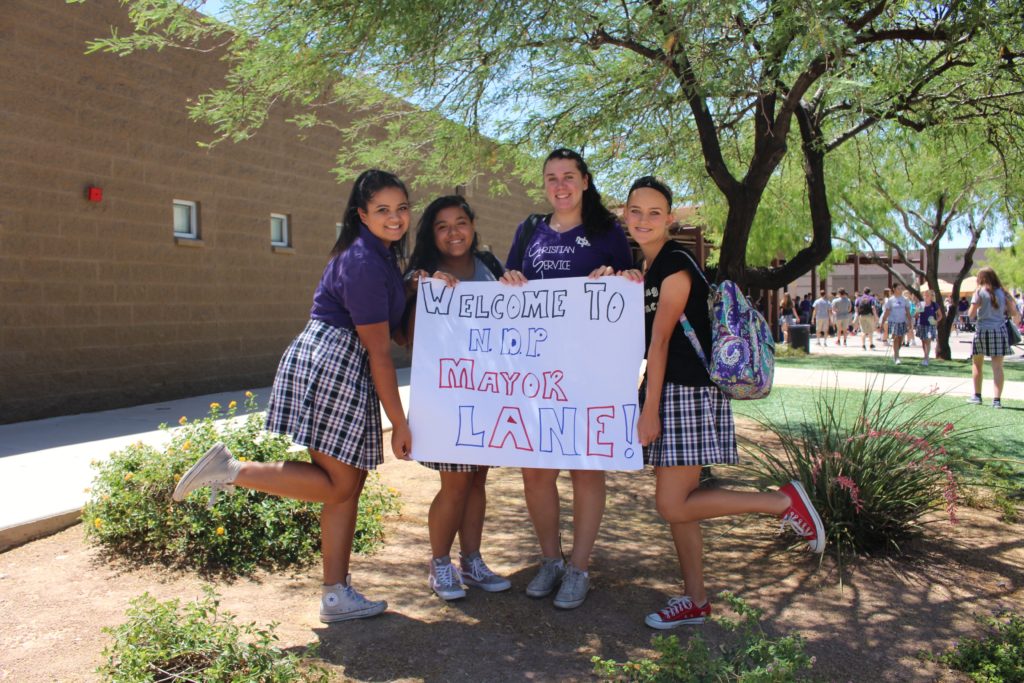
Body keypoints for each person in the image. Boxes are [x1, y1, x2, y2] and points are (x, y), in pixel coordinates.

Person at [171, 169, 413, 623]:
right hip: (333, 362)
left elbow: (395, 334)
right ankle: (230, 469)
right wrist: (399, 422)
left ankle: (336, 595)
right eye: (382, 209)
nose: (395, 217)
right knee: (340, 483)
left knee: (347, 487)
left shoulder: (380, 257)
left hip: (342, 363)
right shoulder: (362, 261)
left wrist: (416, 286)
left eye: (401, 208)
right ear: (362, 214)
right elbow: (381, 353)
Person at [620, 176, 823, 629]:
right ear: (625, 215)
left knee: (672, 504)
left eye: (655, 213)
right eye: (637, 211)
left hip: (683, 393)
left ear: (670, 220)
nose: (644, 220)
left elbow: (660, 343)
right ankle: (696, 599)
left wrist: (649, 410)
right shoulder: (652, 267)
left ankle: (781, 503)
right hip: (674, 391)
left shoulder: (674, 263)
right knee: (681, 504)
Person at [500, 148, 633, 609]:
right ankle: (550, 560)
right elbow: (508, 283)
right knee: (535, 471)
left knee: (585, 466)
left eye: (568, 177)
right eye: (552, 178)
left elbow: (631, 285)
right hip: (536, 372)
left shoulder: (608, 231)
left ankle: (579, 568)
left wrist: (618, 275)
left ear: (585, 182)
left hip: (589, 369)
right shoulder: (528, 230)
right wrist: (511, 278)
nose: (560, 186)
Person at [402, 195, 511, 600]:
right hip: (447, 394)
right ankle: (439, 564)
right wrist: (422, 292)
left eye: (460, 222)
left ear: (472, 224)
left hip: (488, 393)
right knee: (455, 485)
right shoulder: (422, 275)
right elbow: (408, 339)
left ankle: (472, 560)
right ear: (432, 233)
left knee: (478, 480)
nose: (453, 232)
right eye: (442, 225)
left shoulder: (490, 266)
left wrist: (514, 285)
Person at [967, 267, 1021, 408]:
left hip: (982, 331)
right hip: (999, 331)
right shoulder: (1003, 292)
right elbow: (1014, 312)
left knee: (977, 365)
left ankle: (977, 396)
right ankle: (997, 401)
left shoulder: (979, 292)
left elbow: (971, 314)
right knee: (997, 367)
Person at [879, 282, 910, 364]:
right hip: (893, 321)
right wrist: (882, 322)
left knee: (901, 339)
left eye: (901, 288)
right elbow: (887, 312)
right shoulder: (891, 300)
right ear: (894, 289)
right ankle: (897, 357)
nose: (900, 290)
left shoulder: (904, 300)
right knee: (895, 338)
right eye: (898, 288)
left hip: (902, 321)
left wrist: (910, 322)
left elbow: (907, 311)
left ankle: (895, 353)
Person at [916, 289, 943, 366]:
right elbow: (916, 315)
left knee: (928, 341)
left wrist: (936, 321)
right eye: (925, 295)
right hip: (921, 324)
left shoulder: (934, 305)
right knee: (923, 341)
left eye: (928, 295)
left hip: (930, 325)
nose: (926, 297)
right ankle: (926, 356)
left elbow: (940, 315)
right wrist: (917, 311)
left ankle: (926, 358)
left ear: (931, 297)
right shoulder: (921, 304)